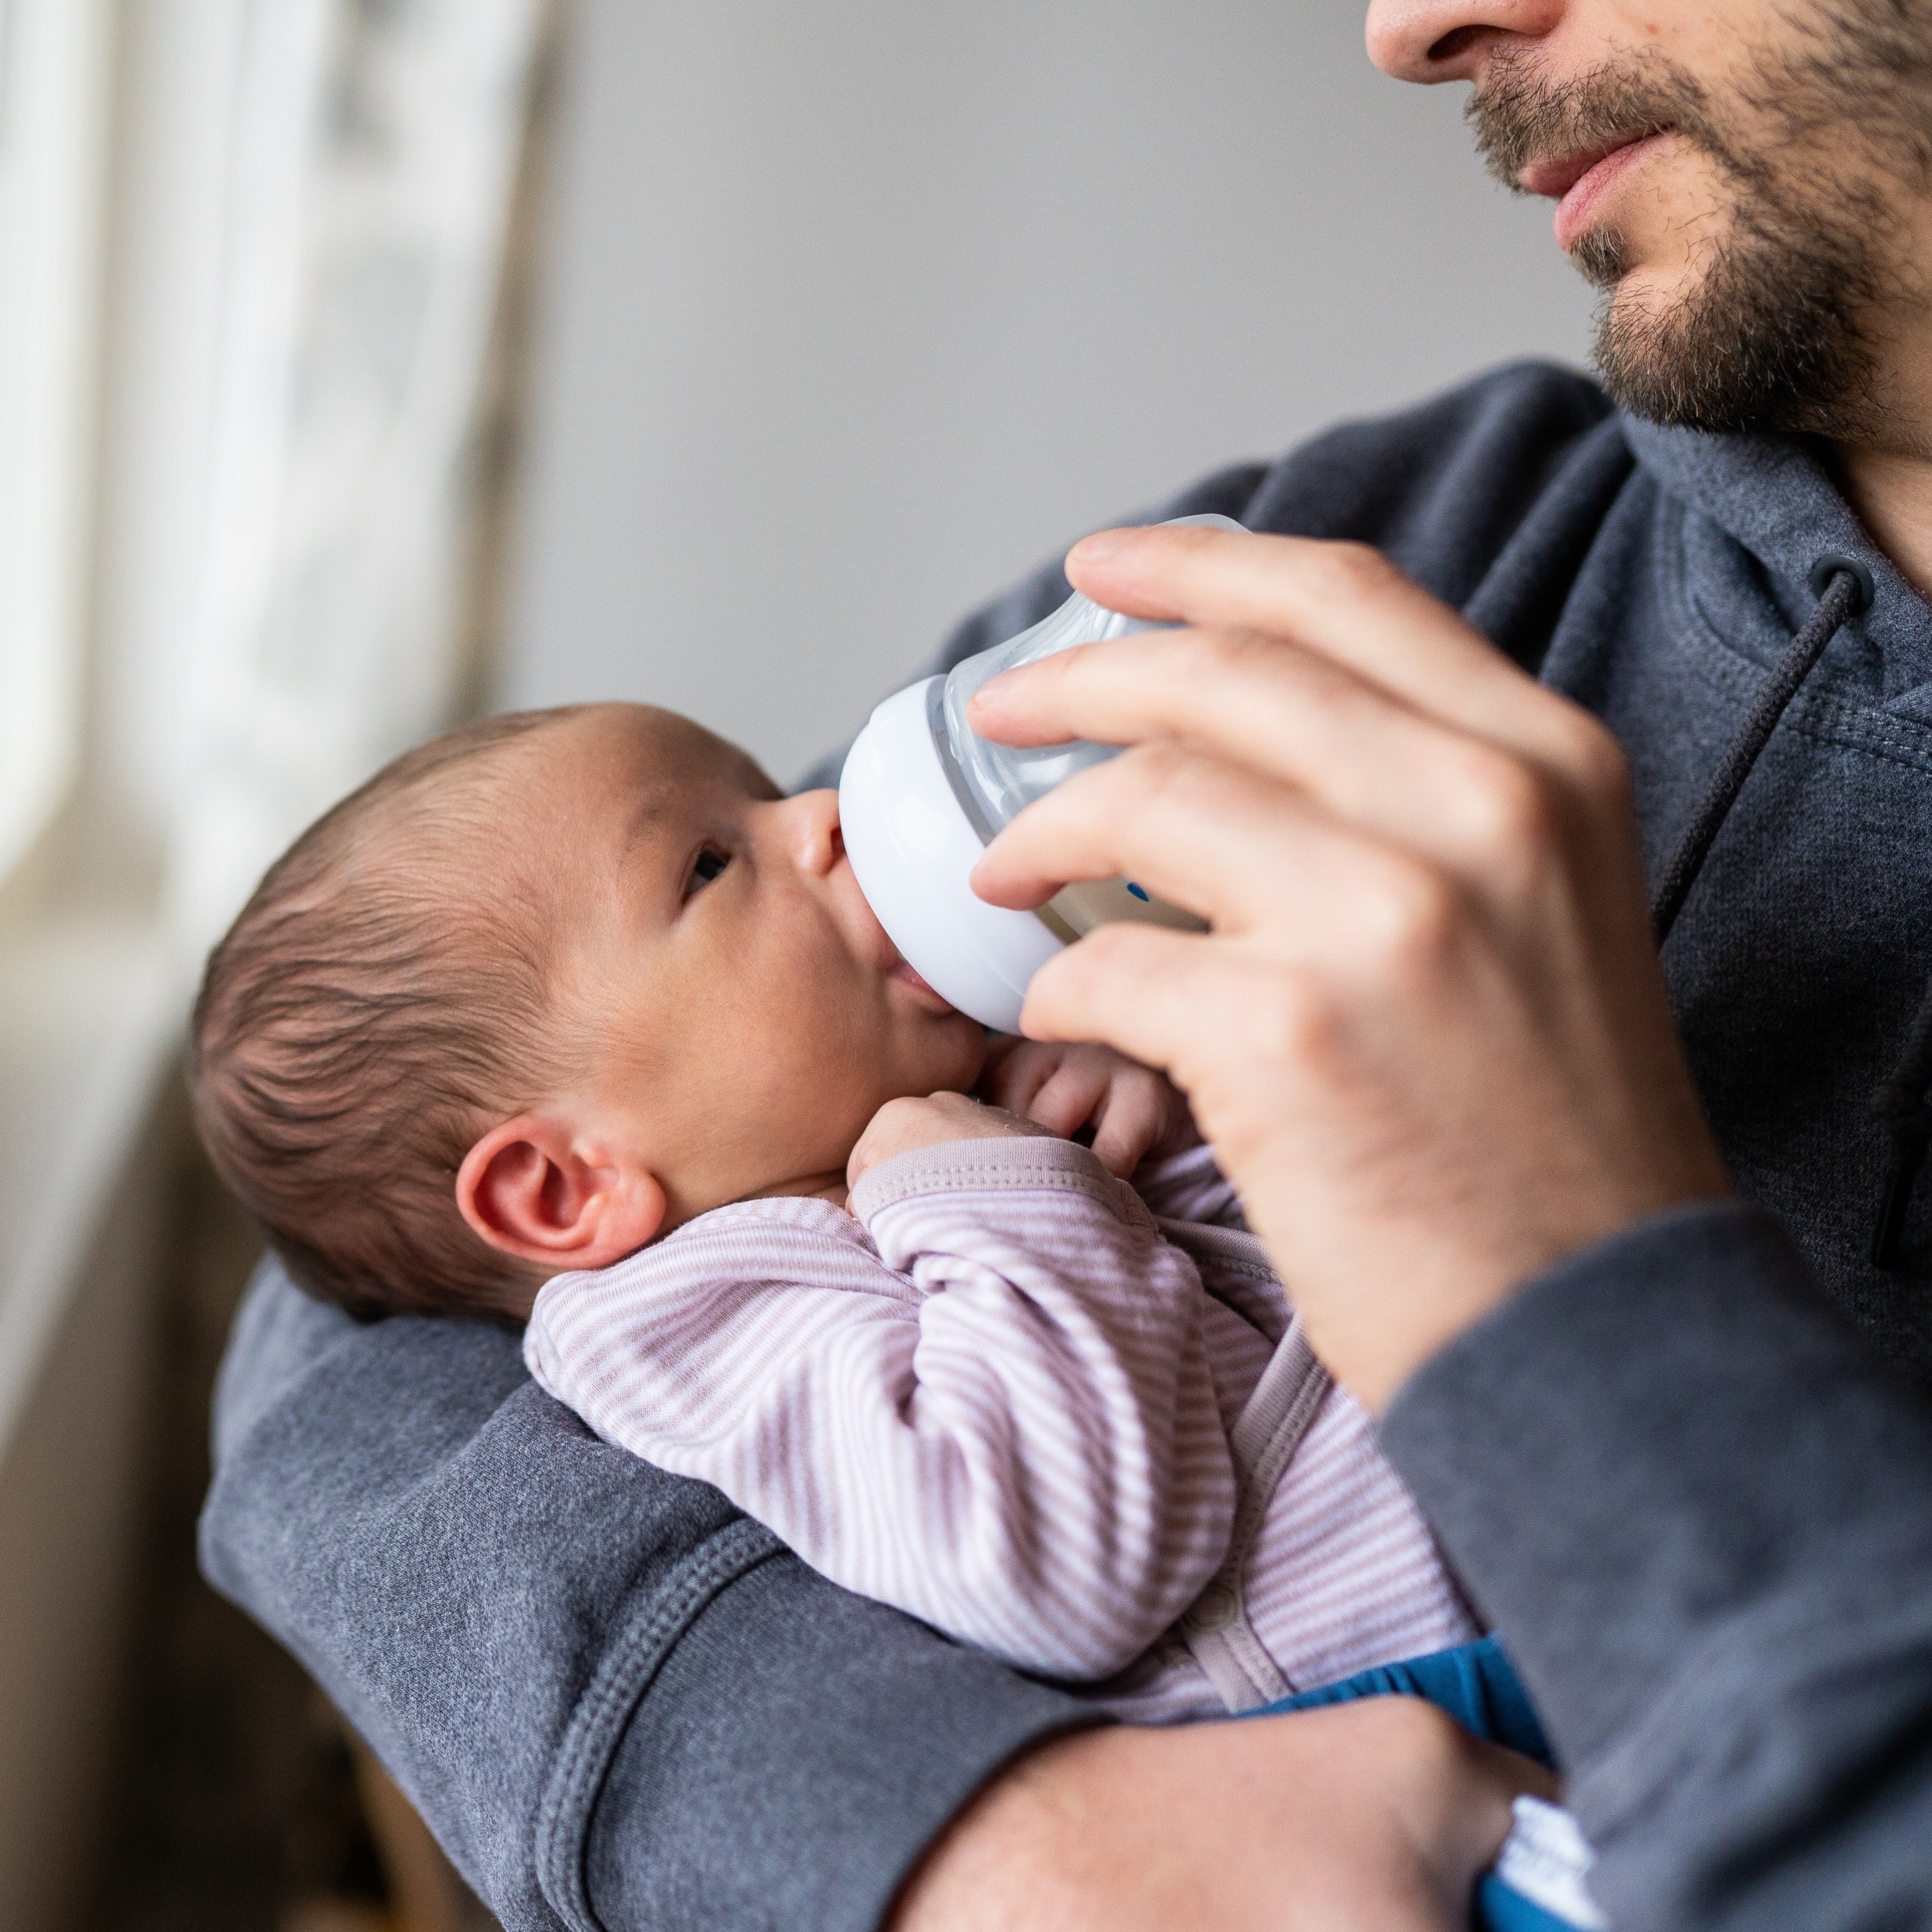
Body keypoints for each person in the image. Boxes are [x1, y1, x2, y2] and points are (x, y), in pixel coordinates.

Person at [200, 1, 1932, 1928]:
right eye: (715, 856)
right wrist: (961, 1839)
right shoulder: (1405, 544)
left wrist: (1558, 1278)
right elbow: (348, 1329)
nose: (1403, 27)